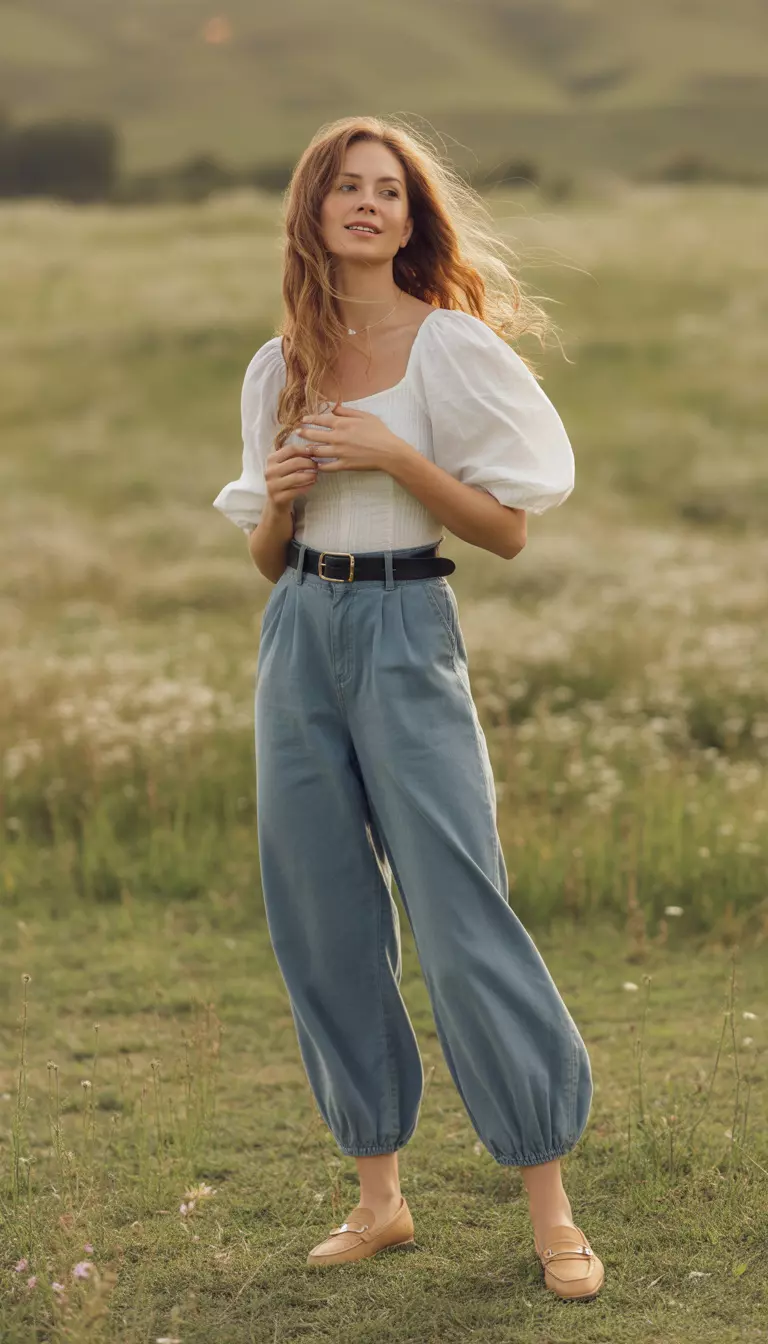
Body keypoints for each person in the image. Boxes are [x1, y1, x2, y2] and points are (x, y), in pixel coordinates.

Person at [213, 116, 604, 1302]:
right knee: (320, 911)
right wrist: (279, 503)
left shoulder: (454, 349)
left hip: (405, 627)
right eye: (348, 188)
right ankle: (380, 1198)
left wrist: (397, 459)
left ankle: (553, 1212)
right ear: (314, 212)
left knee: (457, 901)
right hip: (300, 636)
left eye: (390, 190)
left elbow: (510, 530)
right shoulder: (277, 366)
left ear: (411, 216)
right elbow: (269, 562)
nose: (370, 205)